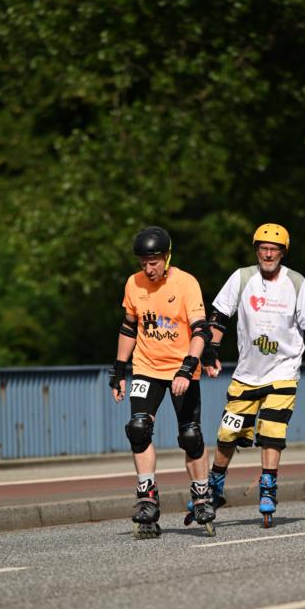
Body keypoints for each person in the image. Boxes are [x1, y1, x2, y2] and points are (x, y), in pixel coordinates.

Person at [201, 223, 305, 528]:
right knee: (227, 434)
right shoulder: (242, 278)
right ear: (256, 250)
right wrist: (211, 349)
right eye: (263, 248)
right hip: (246, 374)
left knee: (272, 432)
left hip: (283, 373)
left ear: (283, 253)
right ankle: (215, 486)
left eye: (274, 249)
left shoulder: (296, 283)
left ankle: (268, 488)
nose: (268, 254)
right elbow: (219, 316)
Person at [108, 226, 216, 537]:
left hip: (182, 367)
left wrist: (188, 368)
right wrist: (119, 370)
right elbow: (129, 328)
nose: (148, 269)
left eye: (153, 262)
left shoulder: (186, 283)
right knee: (138, 428)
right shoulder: (134, 284)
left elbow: (200, 330)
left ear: (167, 257)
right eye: (143, 263)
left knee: (191, 435)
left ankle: (201, 496)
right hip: (146, 367)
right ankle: (147, 498)